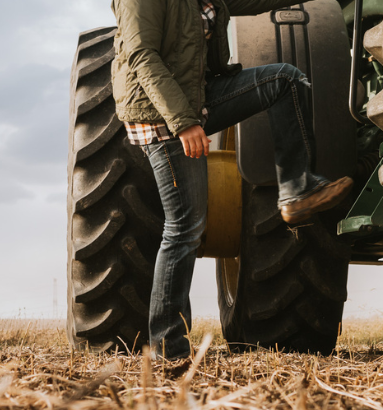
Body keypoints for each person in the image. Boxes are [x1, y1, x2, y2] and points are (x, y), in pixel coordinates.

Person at [111, 0, 353, 360]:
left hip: (197, 98)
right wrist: (184, 123)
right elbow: (142, 56)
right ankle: (168, 347)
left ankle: (295, 190)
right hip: (159, 115)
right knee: (184, 228)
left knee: (283, 79)